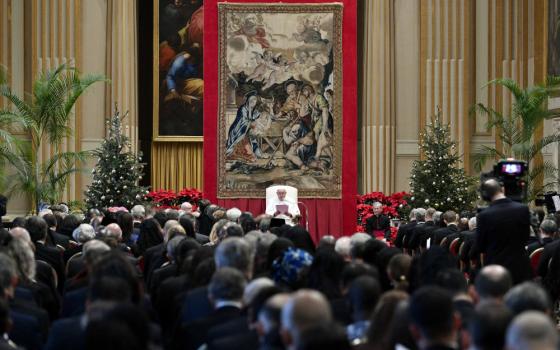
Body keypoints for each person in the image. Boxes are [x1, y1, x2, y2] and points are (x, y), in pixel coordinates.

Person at [476, 179, 532, 284]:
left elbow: (481, 247)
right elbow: (526, 238)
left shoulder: (484, 215)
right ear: (503, 189)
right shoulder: (523, 209)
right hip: (519, 267)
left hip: (496, 270)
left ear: (485, 195)